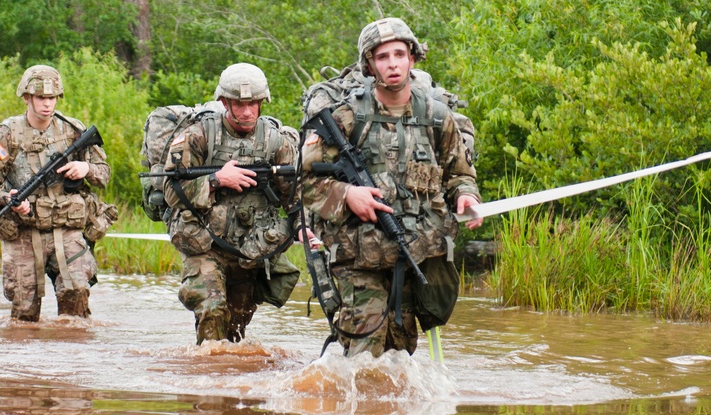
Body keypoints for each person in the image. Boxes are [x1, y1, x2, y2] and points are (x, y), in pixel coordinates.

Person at [301, 18, 482, 357]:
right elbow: (305, 180)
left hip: (416, 253)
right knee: (363, 355)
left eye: (400, 54)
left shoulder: (438, 117)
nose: (393, 63)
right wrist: (347, 195)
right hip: (358, 257)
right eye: (382, 57)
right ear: (369, 65)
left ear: (412, 58)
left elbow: (459, 174)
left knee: (400, 358)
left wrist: (467, 197)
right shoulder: (346, 117)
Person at [163, 63, 303, 344]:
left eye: (253, 103)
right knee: (212, 312)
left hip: (251, 249)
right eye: (239, 104)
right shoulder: (199, 135)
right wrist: (216, 180)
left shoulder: (276, 141)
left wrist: (302, 226)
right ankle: (205, 376)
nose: (247, 111)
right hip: (205, 244)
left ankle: (225, 381)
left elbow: (295, 195)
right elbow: (170, 191)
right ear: (225, 102)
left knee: (235, 332)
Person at [0, 65, 110, 321]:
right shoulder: (7, 134)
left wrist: (86, 168)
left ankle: (71, 357)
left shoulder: (73, 130)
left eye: (52, 98)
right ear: (27, 97)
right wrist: (9, 199)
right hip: (23, 230)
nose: (47, 104)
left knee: (77, 299)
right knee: (24, 314)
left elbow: (104, 173)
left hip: (67, 227)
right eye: (41, 98)